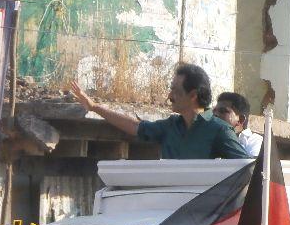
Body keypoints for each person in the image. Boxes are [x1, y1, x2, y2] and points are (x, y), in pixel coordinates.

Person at [71, 63, 248, 159]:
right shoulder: (170, 126)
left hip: (202, 217)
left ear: (193, 95)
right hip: (168, 210)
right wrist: (94, 107)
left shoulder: (219, 130)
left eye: (175, 90)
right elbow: (135, 127)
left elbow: (248, 169)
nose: (169, 95)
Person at [213, 92, 263, 157]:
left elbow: (252, 166)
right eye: (214, 111)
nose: (215, 115)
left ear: (240, 120)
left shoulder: (254, 141)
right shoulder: (209, 137)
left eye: (223, 111)